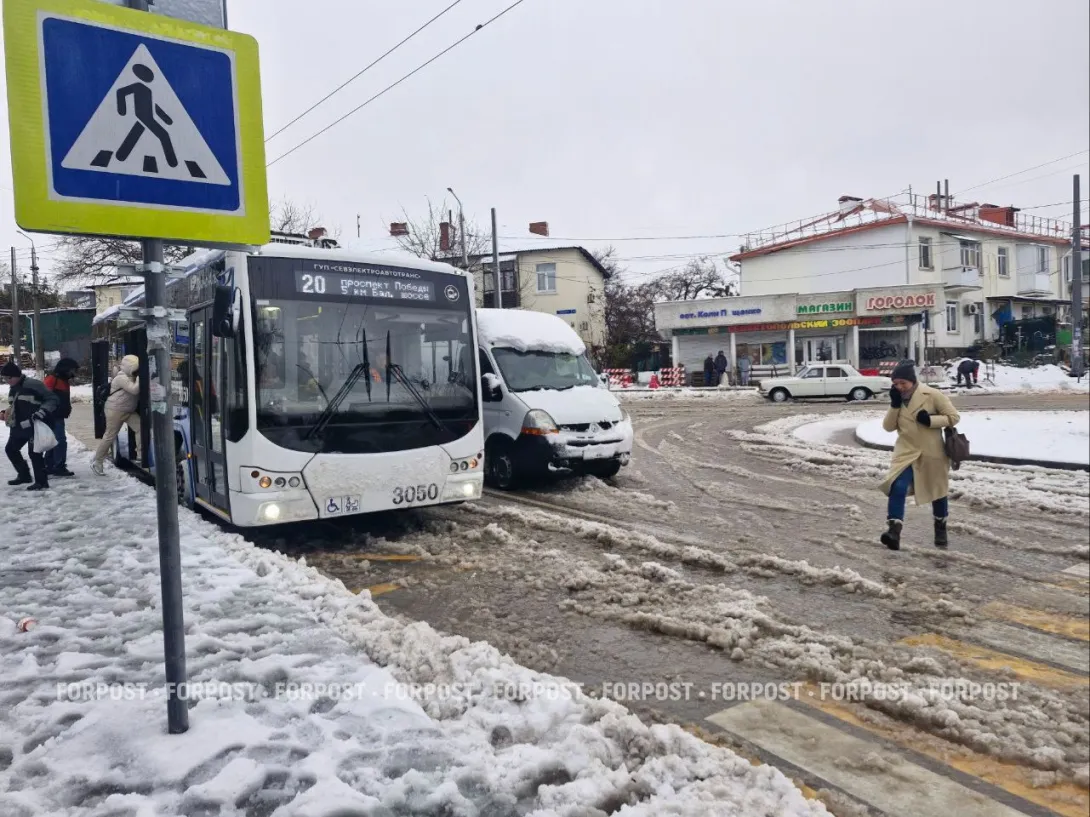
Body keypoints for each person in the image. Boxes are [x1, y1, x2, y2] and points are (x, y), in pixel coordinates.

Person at [878, 360, 960, 551]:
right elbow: (888, 427)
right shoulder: (897, 398)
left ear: (912, 381)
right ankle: (894, 532)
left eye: (902, 383)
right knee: (897, 487)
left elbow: (953, 417)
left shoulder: (932, 394)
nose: (899, 387)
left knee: (937, 492)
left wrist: (930, 420)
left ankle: (940, 528)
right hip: (906, 452)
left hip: (932, 452)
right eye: (895, 384)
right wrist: (894, 405)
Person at [2, 361, 60, 491]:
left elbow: (52, 399)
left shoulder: (34, 385)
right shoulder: (13, 388)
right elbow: (15, 406)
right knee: (11, 449)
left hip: (35, 424)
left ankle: (41, 482)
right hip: (19, 426)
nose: (6, 380)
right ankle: (24, 475)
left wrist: (42, 411)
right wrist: (5, 413)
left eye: (8, 377)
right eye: (4, 378)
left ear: (16, 375)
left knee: (35, 453)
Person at [91, 354, 141, 476]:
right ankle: (97, 462)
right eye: (135, 368)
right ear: (129, 367)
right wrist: (141, 377)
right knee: (110, 436)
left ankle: (140, 455)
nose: (137, 371)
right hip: (115, 410)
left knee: (141, 428)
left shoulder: (131, 376)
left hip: (128, 411)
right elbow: (134, 389)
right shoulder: (121, 378)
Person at [43, 358, 79, 477]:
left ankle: (49, 465)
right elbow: (43, 396)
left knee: (53, 441)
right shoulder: (52, 379)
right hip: (52, 416)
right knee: (60, 441)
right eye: (72, 370)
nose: (73, 373)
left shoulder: (63, 380)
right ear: (65, 369)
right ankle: (58, 466)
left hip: (57, 415)